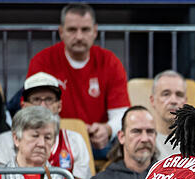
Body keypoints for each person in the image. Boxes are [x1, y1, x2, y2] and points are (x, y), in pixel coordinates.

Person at [27, 3, 130, 159]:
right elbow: (33, 112)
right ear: (61, 32)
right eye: (72, 30)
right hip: (54, 139)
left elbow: (121, 113)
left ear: (95, 31)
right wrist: (74, 130)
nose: (79, 36)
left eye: (85, 30)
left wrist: (107, 130)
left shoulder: (110, 62)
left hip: (99, 144)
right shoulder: (42, 62)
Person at [0, 72, 92, 179]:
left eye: (49, 99)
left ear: (59, 106)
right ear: (23, 105)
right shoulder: (5, 140)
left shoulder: (74, 140)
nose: (42, 106)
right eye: (36, 99)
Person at [149, 70, 187, 160]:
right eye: (166, 94)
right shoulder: (143, 140)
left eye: (179, 95)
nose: (173, 100)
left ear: (185, 102)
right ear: (152, 100)